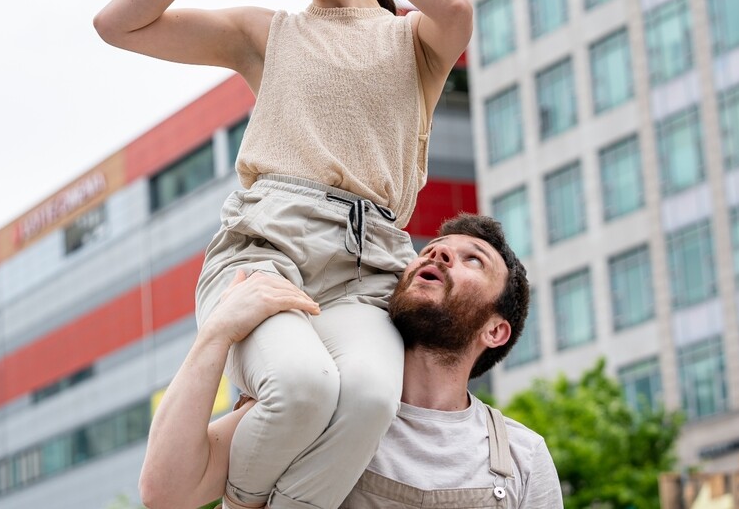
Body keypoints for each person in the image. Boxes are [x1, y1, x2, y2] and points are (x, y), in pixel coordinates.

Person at [94, 0, 474, 509]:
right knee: (300, 387)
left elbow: (456, 5)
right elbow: (116, 25)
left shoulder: (414, 41)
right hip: (266, 249)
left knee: (368, 397)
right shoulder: (266, 34)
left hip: (367, 269)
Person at [139, 214, 564, 508]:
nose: (437, 255)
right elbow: (165, 490)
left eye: (474, 259)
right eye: (431, 249)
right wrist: (217, 333)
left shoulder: (520, 457)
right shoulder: (323, 402)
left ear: (496, 331)